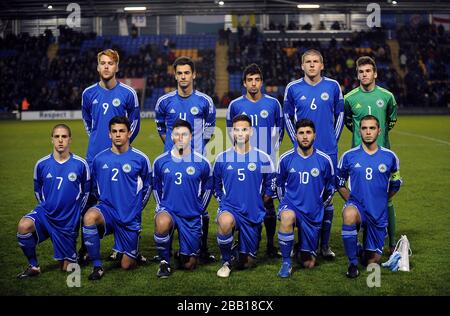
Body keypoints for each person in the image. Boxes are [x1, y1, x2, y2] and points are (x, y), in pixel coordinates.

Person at [80, 49, 141, 263]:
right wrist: (99, 142)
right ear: (98, 67)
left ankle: (122, 245)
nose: (106, 67)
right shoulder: (88, 93)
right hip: (93, 158)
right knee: (89, 202)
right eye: (102, 63)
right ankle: (86, 248)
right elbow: (89, 123)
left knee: (121, 199)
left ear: (117, 67)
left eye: (110, 63)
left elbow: (134, 124)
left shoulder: (128, 93)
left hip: (119, 158)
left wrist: (121, 150)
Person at [155, 56, 216, 263]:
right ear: (175, 75)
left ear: (194, 75)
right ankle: (166, 250)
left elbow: (210, 130)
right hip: (171, 160)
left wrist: (196, 148)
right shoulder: (164, 102)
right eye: (179, 73)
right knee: (169, 202)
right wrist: (172, 146)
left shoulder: (204, 101)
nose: (183, 77)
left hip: (197, 159)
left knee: (200, 206)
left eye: (187, 73)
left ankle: (203, 248)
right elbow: (161, 129)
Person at [284, 49, 344, 259]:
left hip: (327, 151)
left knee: (327, 198)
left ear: (322, 65)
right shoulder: (293, 88)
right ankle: (297, 242)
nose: (311, 65)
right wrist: (296, 143)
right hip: (302, 152)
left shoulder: (333, 86)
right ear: (302, 66)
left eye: (315, 61)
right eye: (307, 62)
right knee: (301, 194)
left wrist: (332, 142)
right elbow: (287, 116)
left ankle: (324, 245)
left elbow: (340, 115)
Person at [82, 116, 151, 280]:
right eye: (114, 131)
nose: (118, 135)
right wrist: (104, 201)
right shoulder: (99, 159)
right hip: (107, 211)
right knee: (89, 217)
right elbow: (94, 187)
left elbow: (147, 188)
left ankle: (131, 250)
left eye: (122, 131)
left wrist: (135, 209)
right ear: (109, 135)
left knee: (127, 265)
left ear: (129, 133)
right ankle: (97, 266)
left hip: (129, 217)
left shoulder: (141, 159)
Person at [16, 124, 90, 278]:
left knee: (68, 269)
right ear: (52, 140)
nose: (60, 140)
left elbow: (86, 193)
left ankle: (73, 254)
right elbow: (38, 191)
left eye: (64, 136)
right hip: (46, 214)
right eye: (57, 137)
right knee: (24, 226)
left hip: (68, 220)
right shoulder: (41, 164)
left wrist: (76, 214)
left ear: (70, 140)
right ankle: (34, 266)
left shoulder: (81, 164)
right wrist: (48, 207)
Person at [226, 63, 284, 258]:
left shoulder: (273, 104)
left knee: (268, 204)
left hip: (266, 162)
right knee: (244, 201)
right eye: (250, 80)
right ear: (244, 83)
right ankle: (243, 238)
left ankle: (269, 244)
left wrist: (269, 154)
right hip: (244, 160)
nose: (253, 83)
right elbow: (230, 132)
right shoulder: (235, 105)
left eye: (257, 80)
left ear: (261, 82)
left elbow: (280, 130)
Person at [344, 56, 398, 254]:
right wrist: (362, 139)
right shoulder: (349, 98)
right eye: (361, 72)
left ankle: (392, 243)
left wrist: (379, 138)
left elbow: (391, 119)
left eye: (368, 71)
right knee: (357, 200)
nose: (364, 75)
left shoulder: (387, 96)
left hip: (382, 155)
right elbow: (348, 122)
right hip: (357, 157)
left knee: (386, 199)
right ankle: (361, 240)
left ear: (375, 73)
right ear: (357, 74)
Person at [336, 115, 402, 278]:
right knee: (349, 214)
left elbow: (396, 183)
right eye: (364, 128)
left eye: (372, 128)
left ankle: (359, 249)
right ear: (359, 131)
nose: (368, 132)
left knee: (371, 262)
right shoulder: (349, 156)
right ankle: (352, 264)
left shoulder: (390, 157)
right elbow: (339, 182)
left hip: (378, 212)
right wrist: (351, 200)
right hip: (357, 207)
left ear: (379, 131)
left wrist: (381, 200)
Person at [213, 114, 276, 278]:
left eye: (244, 129)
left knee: (247, 263)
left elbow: (271, 186)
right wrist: (223, 202)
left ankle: (237, 247)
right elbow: (216, 185)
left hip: (252, 212)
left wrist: (259, 203)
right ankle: (226, 261)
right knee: (225, 222)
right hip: (230, 209)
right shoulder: (222, 158)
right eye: (236, 130)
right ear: (232, 132)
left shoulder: (264, 158)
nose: (240, 133)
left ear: (252, 132)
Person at [152, 119, 213, 278]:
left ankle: (182, 253)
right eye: (177, 134)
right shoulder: (160, 161)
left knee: (189, 265)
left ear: (191, 137)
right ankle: (164, 262)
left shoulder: (202, 162)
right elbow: (156, 186)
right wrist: (160, 206)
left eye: (184, 134)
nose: (180, 138)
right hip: (169, 210)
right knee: (162, 221)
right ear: (172, 136)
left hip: (191, 215)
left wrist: (201, 209)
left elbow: (208, 188)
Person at [276, 119, 334, 278]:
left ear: (314, 135)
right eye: (301, 133)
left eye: (308, 132)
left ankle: (299, 246)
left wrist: (319, 206)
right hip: (291, 206)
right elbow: (278, 185)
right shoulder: (285, 159)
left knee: (309, 264)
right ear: (295, 136)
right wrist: (285, 203)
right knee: (287, 217)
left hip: (312, 212)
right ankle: (286, 262)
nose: (305, 136)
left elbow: (330, 188)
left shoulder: (324, 160)